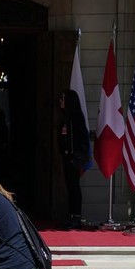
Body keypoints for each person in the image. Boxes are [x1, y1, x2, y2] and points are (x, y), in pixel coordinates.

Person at [57, 89, 89, 230]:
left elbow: (82, 138)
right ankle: (71, 215)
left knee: (74, 187)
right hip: (67, 157)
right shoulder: (66, 117)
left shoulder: (76, 117)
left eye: (63, 98)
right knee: (70, 187)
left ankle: (76, 217)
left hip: (74, 158)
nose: (60, 101)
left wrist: (75, 154)